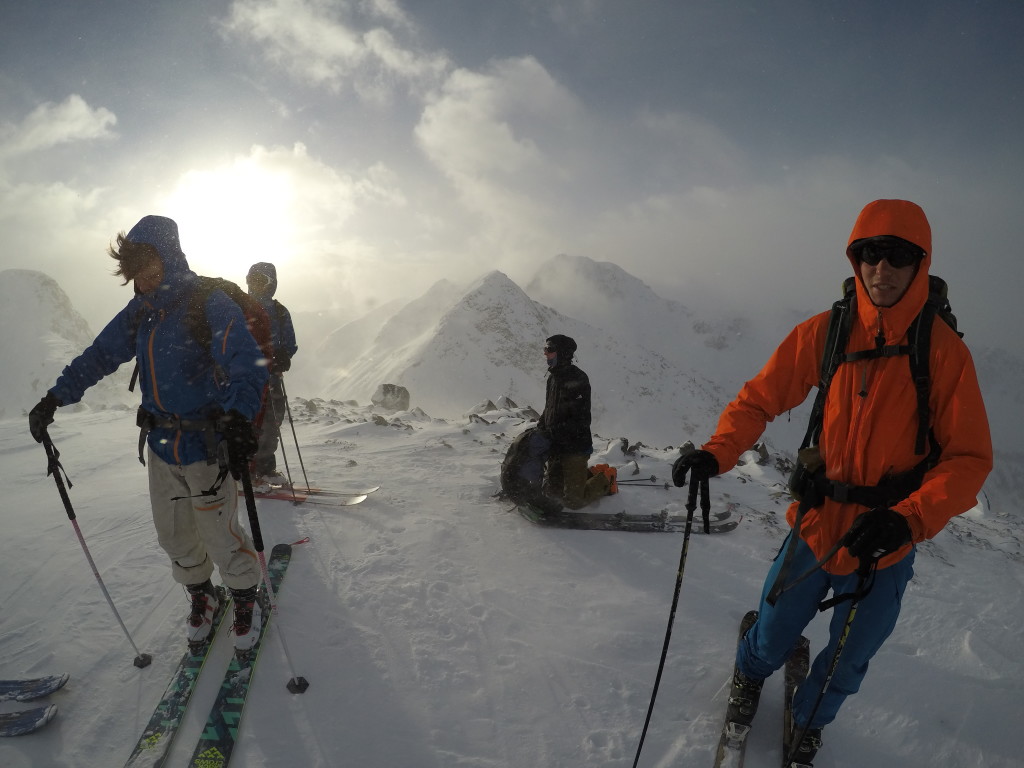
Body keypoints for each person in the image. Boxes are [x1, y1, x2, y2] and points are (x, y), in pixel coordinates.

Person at [671, 199, 992, 764]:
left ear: (921, 263)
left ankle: (811, 720)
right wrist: (716, 454)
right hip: (817, 524)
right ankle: (751, 673)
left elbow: (968, 459)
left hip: (884, 540)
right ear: (854, 259)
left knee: (850, 657)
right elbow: (759, 399)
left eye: (897, 255)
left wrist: (906, 519)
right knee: (773, 629)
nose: (882, 268)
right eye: (869, 253)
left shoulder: (942, 352)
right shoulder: (828, 331)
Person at [28, 215, 271, 655]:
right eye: (136, 274)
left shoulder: (208, 302)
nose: (143, 280)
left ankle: (244, 597)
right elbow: (100, 355)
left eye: (151, 269)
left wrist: (239, 419)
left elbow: (244, 361)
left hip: (205, 446)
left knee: (220, 533)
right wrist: (53, 399)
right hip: (161, 447)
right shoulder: (141, 312)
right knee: (174, 535)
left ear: (171, 259)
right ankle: (202, 594)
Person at [537, 334, 609, 509]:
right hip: (556, 446)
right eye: (545, 349)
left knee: (573, 502)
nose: (546, 353)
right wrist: (540, 428)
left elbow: (581, 419)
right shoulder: (552, 378)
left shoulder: (578, 379)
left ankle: (605, 479)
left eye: (550, 350)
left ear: (562, 353)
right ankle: (580, 475)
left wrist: (557, 434)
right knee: (552, 493)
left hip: (575, 447)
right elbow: (549, 409)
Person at [246, 262, 298, 490]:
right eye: (253, 279)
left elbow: (289, 342)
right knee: (244, 424)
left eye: (261, 280)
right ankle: (244, 471)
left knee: (271, 423)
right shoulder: (238, 307)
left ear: (271, 284)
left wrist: (283, 356)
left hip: (272, 378)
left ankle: (264, 469)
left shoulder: (279, 311)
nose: (256, 284)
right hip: (244, 378)